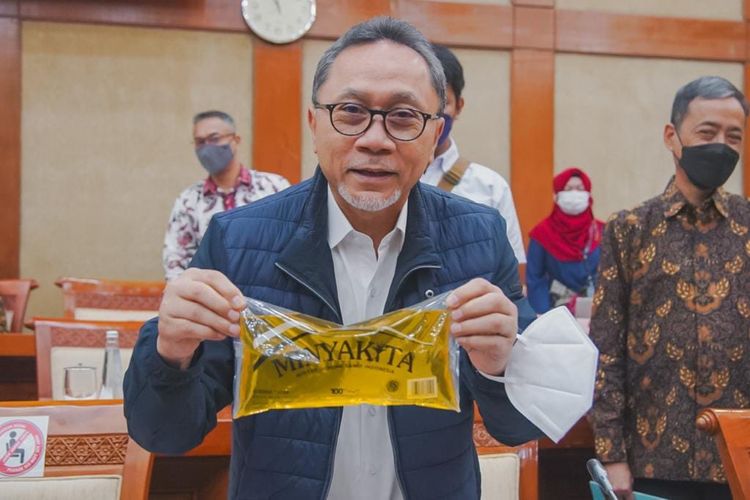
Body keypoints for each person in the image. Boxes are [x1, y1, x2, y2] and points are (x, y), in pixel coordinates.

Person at [125, 17, 542, 500]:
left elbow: (519, 425)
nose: (375, 139)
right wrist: (170, 353)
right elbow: (165, 435)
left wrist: (500, 364)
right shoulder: (236, 241)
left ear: (434, 135)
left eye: (404, 117)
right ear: (314, 122)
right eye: (350, 111)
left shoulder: (479, 238)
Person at [590, 75, 750, 500]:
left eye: (734, 136)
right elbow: (606, 350)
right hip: (652, 460)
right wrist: (612, 455)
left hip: (740, 459)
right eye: (707, 132)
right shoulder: (629, 230)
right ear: (672, 136)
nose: (721, 145)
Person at [421, 44, 526, 264]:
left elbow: (514, 277)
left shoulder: (491, 187)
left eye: (443, 103)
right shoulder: (380, 177)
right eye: (421, 102)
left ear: (459, 106)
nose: (433, 114)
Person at [162, 110, 290, 281]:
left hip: (269, 298)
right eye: (200, 142)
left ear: (235, 140)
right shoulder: (188, 201)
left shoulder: (274, 188)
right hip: (210, 301)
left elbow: (293, 244)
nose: (207, 148)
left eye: (214, 139)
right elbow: (175, 262)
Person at [526, 167, 604, 314]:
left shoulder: (602, 232)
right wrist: (543, 315)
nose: (574, 193)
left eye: (580, 189)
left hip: (598, 311)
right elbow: (535, 278)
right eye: (568, 189)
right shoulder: (542, 233)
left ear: (588, 195)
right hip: (556, 312)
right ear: (556, 195)